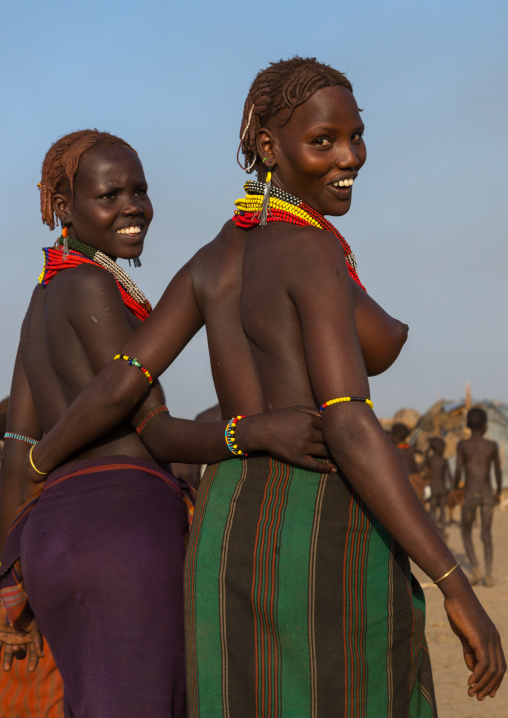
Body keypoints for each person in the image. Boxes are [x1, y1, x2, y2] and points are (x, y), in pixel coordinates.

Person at [13, 60, 505, 715]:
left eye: (356, 136)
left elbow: (119, 384)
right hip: (320, 522)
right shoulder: (311, 253)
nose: (350, 156)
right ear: (270, 148)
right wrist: (455, 585)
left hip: (225, 535)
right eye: (325, 140)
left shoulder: (213, 260)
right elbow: (349, 422)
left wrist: (36, 462)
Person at [0, 129, 335, 718]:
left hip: (51, 541)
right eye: (111, 195)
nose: (133, 207)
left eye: (140, 191)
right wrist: (253, 432)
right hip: (122, 532)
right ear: (64, 206)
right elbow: (153, 430)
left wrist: (11, 577)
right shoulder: (93, 285)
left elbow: (16, 453)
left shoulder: (41, 301)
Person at [455, 407, 503, 587]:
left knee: (466, 531)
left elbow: (459, 470)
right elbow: (497, 470)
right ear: (485, 426)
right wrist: (498, 491)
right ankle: (488, 574)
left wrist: (453, 487)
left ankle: (475, 569)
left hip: (470, 495)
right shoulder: (492, 446)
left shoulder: (462, 446)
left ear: (468, 425)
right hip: (487, 494)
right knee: (486, 534)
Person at [390, 422, 427, 503]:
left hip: (405, 482)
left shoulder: (395, 450)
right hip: (417, 479)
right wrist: (419, 467)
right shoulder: (411, 448)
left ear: (395, 436)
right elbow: (425, 455)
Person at [426, 436, 451, 533]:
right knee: (442, 509)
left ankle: (434, 529)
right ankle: (443, 530)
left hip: (433, 488)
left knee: (432, 509)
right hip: (443, 488)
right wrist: (452, 488)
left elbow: (425, 471)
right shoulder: (444, 461)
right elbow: (449, 475)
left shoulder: (430, 460)